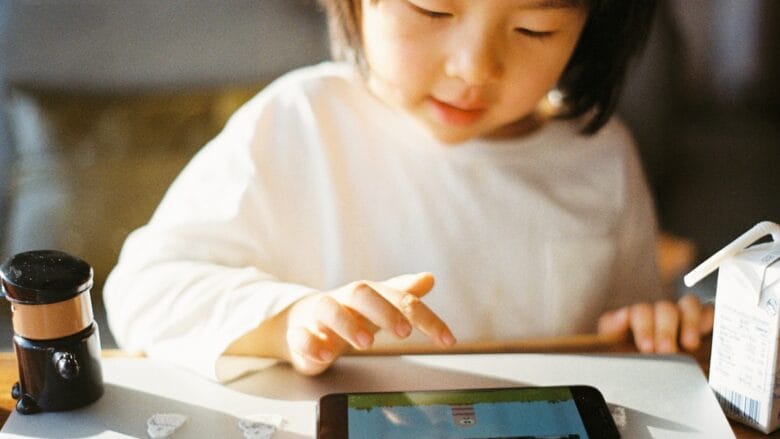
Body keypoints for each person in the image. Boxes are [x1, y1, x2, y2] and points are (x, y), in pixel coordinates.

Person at [104, 0, 714, 381]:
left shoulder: (601, 157)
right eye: (433, 11)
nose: (475, 67)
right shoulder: (298, 123)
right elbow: (143, 291)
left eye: (533, 28)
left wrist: (653, 324)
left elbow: (630, 336)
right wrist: (287, 319)